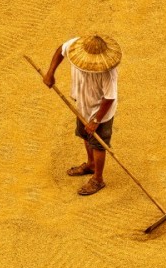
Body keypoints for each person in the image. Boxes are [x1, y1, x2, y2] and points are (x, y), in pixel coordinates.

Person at [43, 35, 121, 195]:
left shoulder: (108, 72)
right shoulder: (75, 46)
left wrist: (96, 120)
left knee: (99, 145)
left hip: (101, 111)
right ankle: (91, 164)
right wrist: (50, 72)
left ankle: (98, 179)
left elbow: (109, 98)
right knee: (86, 135)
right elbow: (61, 50)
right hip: (82, 103)